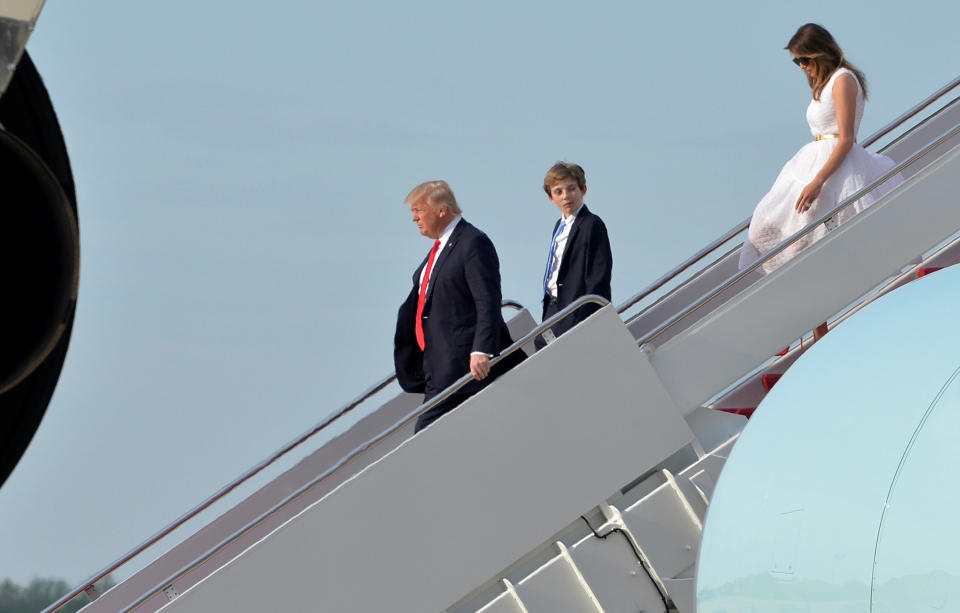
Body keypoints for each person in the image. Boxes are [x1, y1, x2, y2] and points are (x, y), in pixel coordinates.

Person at [738, 23, 902, 341]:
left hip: (835, 167)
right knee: (774, 232)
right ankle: (811, 324)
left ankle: (819, 325)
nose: (802, 68)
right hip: (813, 160)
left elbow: (846, 139)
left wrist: (817, 182)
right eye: (798, 63)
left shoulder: (843, 80)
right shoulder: (824, 84)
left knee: (818, 244)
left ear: (818, 54)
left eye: (804, 61)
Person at [394, 180, 521, 432]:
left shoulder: (472, 243)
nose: (414, 218)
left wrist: (482, 350)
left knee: (425, 438)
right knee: (433, 442)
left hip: (465, 368)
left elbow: (487, 300)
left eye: (418, 210)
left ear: (442, 210)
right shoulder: (437, 251)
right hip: (438, 368)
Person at [535, 162, 613, 349]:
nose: (566, 196)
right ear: (551, 198)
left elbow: (599, 276)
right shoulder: (559, 227)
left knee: (567, 358)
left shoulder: (591, 224)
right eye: (558, 192)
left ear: (583, 190)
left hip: (575, 309)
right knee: (541, 348)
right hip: (553, 308)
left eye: (571, 189)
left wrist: (587, 317)